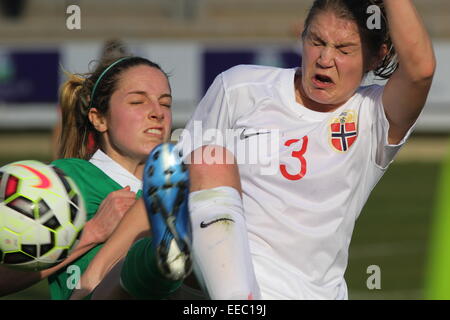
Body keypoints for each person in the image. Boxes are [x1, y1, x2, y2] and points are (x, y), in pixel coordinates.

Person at [73, 0, 435, 300]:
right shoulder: (240, 87)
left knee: (139, 271)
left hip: (305, 292)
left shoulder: (372, 115)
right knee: (207, 163)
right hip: (213, 279)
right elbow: (165, 185)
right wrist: (91, 275)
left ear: (377, 57)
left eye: (343, 49)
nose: (325, 58)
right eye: (316, 41)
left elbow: (420, 71)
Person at [0, 55, 188, 300]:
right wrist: (93, 232)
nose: (157, 113)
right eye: (138, 101)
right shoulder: (66, 181)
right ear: (99, 119)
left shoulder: (182, 187)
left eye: (165, 103)